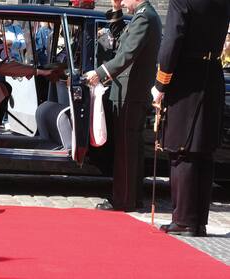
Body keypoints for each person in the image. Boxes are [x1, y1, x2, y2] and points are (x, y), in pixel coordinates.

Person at [151, 0, 230, 237]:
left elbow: (172, 42)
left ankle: (184, 219)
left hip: (186, 78)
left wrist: (160, 83)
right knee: (204, 151)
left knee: (181, 149)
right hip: (212, 75)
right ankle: (198, 221)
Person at [85, 0, 162, 211]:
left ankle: (124, 200)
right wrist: (117, 9)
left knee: (126, 151)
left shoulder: (144, 17)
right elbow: (122, 41)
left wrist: (100, 74)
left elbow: (127, 54)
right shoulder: (143, 15)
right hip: (131, 92)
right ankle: (132, 197)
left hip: (131, 93)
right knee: (131, 149)